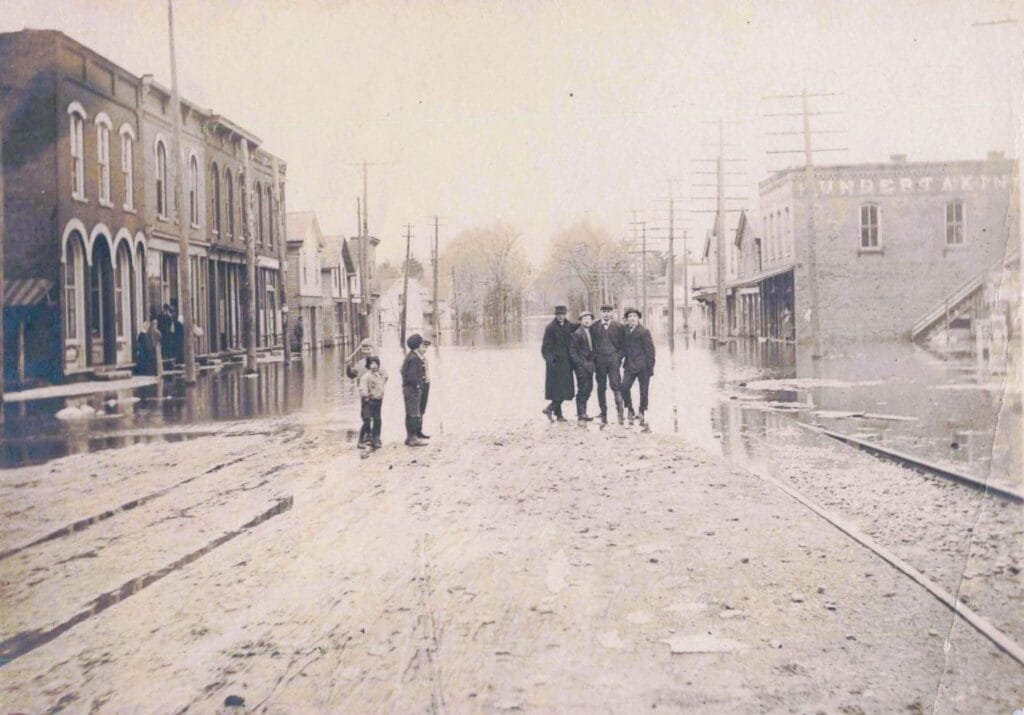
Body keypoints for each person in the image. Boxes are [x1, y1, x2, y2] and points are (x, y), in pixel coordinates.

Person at [590, 304, 626, 424]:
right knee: (601, 387)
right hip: (599, 361)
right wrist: (594, 358)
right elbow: (592, 344)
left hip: (613, 360)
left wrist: (618, 357)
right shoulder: (594, 327)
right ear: (600, 313)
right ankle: (603, 412)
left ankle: (620, 412)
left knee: (616, 385)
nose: (606, 314)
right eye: (604, 311)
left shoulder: (619, 327)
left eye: (608, 311)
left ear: (612, 313)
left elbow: (623, 345)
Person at [620, 307, 655, 425]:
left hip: (643, 366)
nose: (632, 319)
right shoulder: (624, 330)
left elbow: (650, 351)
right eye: (629, 317)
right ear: (626, 319)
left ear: (638, 318)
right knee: (624, 387)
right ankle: (629, 408)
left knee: (643, 390)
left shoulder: (644, 331)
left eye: (634, 316)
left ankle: (642, 411)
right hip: (629, 365)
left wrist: (650, 368)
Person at [540, 305, 575, 422]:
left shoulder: (568, 325)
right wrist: (550, 361)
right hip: (555, 365)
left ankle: (558, 414)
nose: (561, 317)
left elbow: (579, 326)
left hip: (567, 363)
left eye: (563, 314)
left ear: (566, 314)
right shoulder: (550, 328)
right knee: (558, 390)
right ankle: (551, 409)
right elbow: (545, 348)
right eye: (559, 315)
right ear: (555, 315)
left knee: (564, 389)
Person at [400, 333, 428, 447]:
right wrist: (417, 386)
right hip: (412, 389)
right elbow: (412, 375)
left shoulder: (410, 356)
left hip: (407, 388)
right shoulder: (414, 358)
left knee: (410, 412)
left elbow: (402, 371)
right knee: (414, 413)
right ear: (417, 344)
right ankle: (413, 438)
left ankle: (410, 437)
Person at [568, 310, 596, 422]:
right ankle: (581, 413)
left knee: (589, 388)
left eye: (589, 318)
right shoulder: (577, 334)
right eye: (584, 319)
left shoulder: (592, 332)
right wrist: (579, 364)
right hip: (581, 366)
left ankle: (584, 411)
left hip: (590, 365)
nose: (587, 320)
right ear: (580, 321)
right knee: (583, 389)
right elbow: (572, 351)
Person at [357, 356, 388, 450]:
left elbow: (383, 380)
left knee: (377, 420)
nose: (374, 366)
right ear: (368, 365)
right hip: (369, 401)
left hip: (378, 400)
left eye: (376, 364)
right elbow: (362, 388)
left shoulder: (378, 375)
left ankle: (376, 439)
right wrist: (366, 397)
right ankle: (361, 440)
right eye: (371, 364)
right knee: (367, 420)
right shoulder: (365, 376)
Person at [417, 336, 432, 439]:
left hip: (426, 383)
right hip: (420, 385)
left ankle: (420, 430)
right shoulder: (415, 359)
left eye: (426, 347)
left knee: (422, 408)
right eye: (422, 346)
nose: (424, 349)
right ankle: (416, 431)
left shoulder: (424, 358)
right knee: (417, 408)